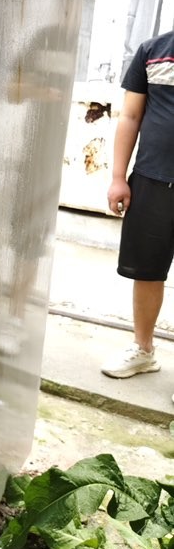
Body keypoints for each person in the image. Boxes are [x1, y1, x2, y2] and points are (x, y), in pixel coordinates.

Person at [101, 29, 174, 381]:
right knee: (146, 270)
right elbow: (130, 116)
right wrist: (118, 177)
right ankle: (143, 350)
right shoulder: (153, 51)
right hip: (151, 180)